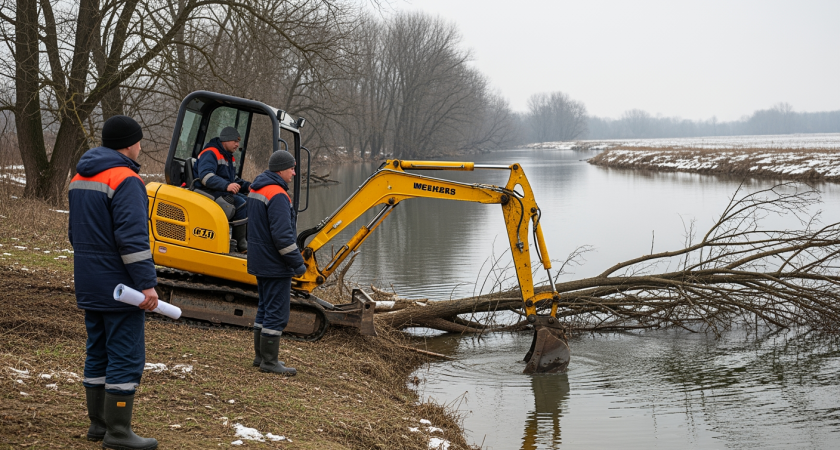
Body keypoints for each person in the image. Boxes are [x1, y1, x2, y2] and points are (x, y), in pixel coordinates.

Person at [69, 115, 159, 450]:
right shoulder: (126, 180)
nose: (140, 147)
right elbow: (133, 240)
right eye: (138, 141)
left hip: (88, 282)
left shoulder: (79, 177)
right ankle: (119, 433)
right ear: (129, 143)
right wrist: (147, 284)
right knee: (125, 354)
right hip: (121, 288)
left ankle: (98, 425)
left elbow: (73, 235)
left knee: (97, 350)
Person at [247, 150, 307, 376]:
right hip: (275, 264)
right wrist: (298, 264)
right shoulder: (278, 195)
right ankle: (270, 362)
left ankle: (260, 357)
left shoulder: (257, 188)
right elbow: (282, 237)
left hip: (260, 261)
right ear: (281, 169)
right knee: (277, 313)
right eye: (291, 168)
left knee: (264, 308)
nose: (294, 172)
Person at [194, 126, 251, 252]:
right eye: (235, 141)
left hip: (219, 190)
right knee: (240, 203)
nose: (237, 144)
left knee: (250, 200)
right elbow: (206, 177)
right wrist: (226, 186)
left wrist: (248, 186)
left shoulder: (229, 157)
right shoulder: (211, 153)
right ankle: (239, 245)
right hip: (206, 191)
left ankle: (247, 240)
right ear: (225, 140)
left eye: (238, 142)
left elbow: (233, 179)